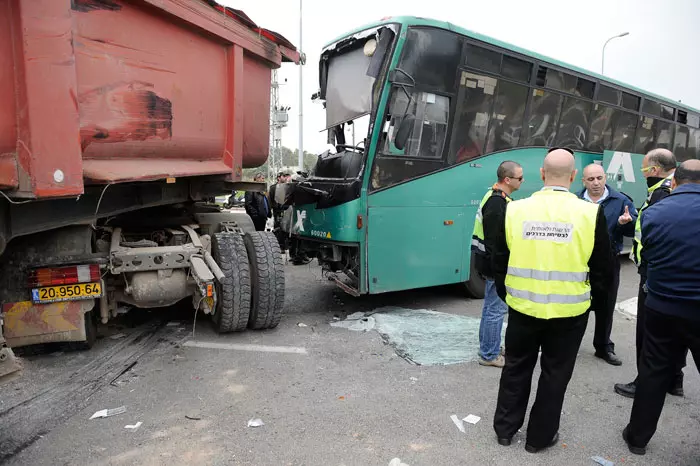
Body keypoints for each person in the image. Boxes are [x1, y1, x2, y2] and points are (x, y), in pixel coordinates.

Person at [491, 148, 612, 453]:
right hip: (570, 311)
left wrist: (509, 295)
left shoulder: (515, 209)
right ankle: (538, 439)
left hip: (522, 307)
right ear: (573, 177)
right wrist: (592, 303)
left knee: (516, 368)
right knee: (555, 375)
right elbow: (602, 269)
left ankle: (505, 430)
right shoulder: (590, 212)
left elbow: (499, 259)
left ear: (542, 175)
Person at [622, 159, 700, 456]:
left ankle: (637, 439)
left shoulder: (654, 212)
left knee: (653, 372)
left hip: (661, 305)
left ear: (675, 182)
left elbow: (646, 256)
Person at [614, 148, 686, 398]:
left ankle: (644, 382)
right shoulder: (674, 190)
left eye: (644, 169)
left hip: (654, 273)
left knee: (648, 332)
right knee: (675, 329)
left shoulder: (662, 194)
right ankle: (674, 379)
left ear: (654, 170)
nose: (643, 174)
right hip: (671, 272)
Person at [577, 163, 637, 366]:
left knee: (606, 306)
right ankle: (570, 344)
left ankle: (603, 347)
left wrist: (626, 223)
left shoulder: (620, 200)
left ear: (605, 178)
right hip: (579, 260)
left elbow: (634, 230)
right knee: (576, 305)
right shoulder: (575, 200)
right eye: (591, 179)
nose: (596, 183)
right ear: (583, 181)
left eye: (599, 178)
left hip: (608, 261)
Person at [472, 161, 524, 368]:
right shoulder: (497, 202)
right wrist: (502, 269)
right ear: (508, 180)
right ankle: (489, 354)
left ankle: (489, 346)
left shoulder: (495, 197)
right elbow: (495, 242)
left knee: (490, 309)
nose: (523, 181)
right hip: (494, 265)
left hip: (488, 262)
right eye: (520, 178)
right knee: (495, 310)